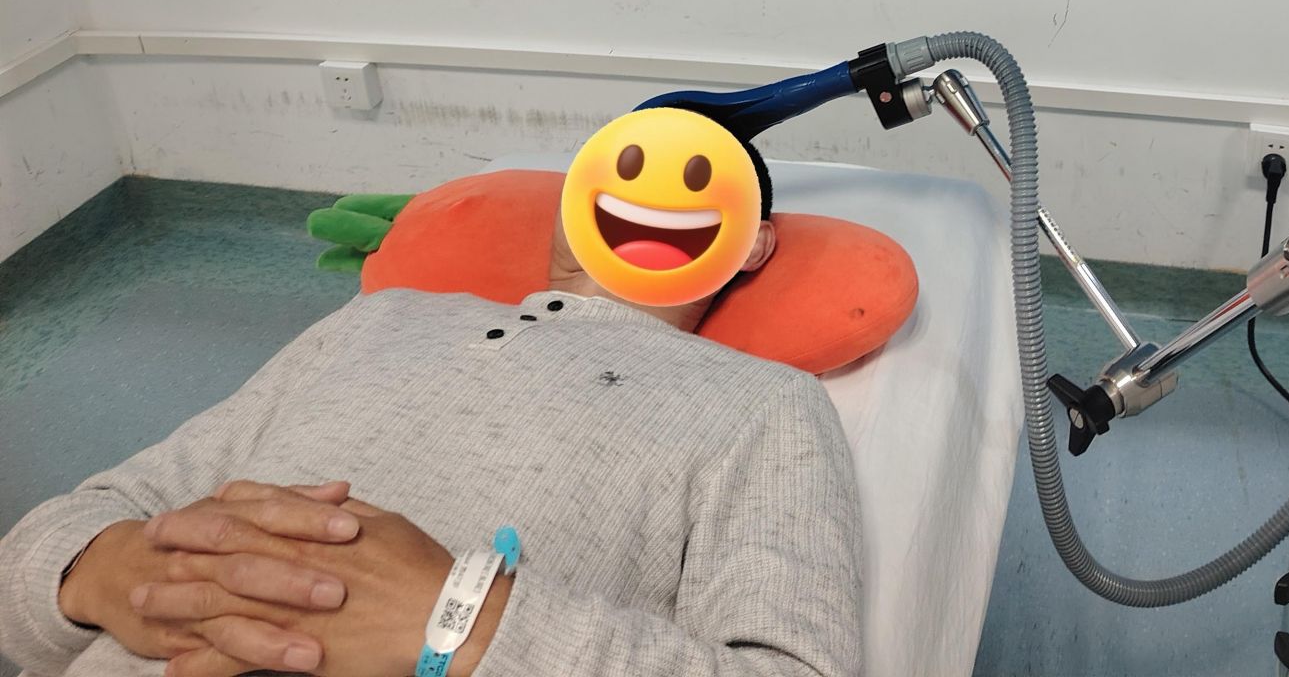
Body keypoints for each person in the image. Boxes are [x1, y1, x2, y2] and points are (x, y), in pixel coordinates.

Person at [0, 184, 862, 677]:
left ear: (753, 244)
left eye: (692, 181)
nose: (648, 194)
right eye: (614, 169)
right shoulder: (384, 315)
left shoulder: (765, 401)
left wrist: (468, 624)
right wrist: (96, 571)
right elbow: (47, 554)